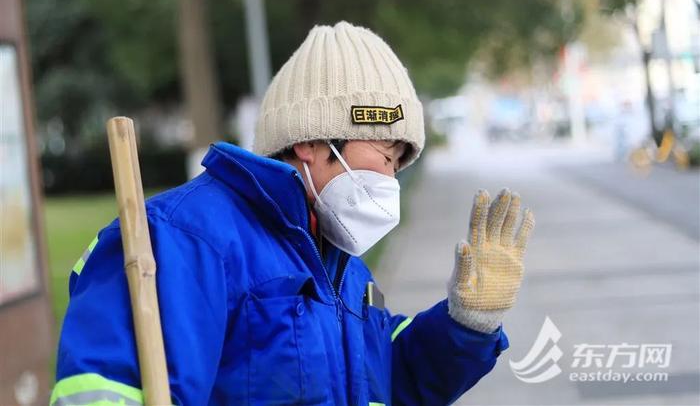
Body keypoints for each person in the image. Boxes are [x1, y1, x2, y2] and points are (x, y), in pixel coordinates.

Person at [51, 21, 535, 405]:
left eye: (400, 163)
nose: (390, 181)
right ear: (309, 141)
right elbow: (105, 388)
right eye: (384, 156)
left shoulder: (341, 266)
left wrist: (465, 325)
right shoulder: (180, 241)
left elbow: (385, 379)